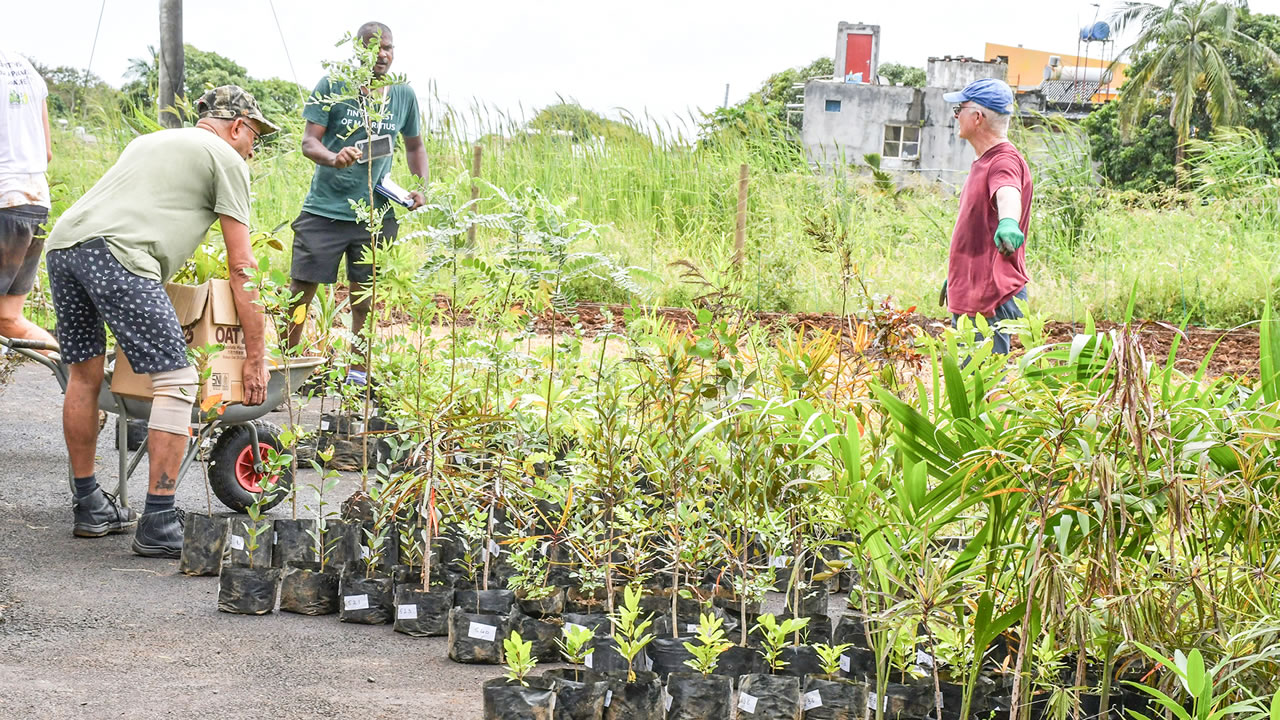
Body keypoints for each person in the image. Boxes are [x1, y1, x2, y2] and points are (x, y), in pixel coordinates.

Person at [43, 86, 277, 557]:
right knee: (177, 379)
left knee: (86, 376)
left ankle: (89, 505)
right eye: (255, 135)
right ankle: (159, 519)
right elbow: (242, 268)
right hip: (118, 255)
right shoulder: (228, 160)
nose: (255, 147)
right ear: (237, 126)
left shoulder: (150, 141)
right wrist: (256, 357)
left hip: (64, 245)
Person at [287, 21, 429, 384]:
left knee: (365, 297)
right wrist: (333, 157)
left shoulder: (401, 94)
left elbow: (414, 146)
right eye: (373, 47)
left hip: (376, 213)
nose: (382, 54)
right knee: (302, 292)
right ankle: (287, 365)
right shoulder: (333, 86)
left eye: (388, 48)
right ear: (358, 50)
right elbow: (309, 143)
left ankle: (357, 373)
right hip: (326, 210)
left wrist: (418, 187)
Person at [941, 77, 1032, 355]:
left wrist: (1008, 222)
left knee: (981, 385)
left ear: (977, 117)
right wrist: (958, 272)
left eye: (959, 109)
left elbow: (1008, 193)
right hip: (973, 287)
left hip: (988, 295)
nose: (956, 116)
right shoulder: (986, 160)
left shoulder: (1002, 161)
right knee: (969, 382)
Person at [0, 48, 58, 352]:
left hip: (4, 202)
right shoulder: (24, 68)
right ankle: (83, 382)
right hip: (34, 202)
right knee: (8, 318)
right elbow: (46, 153)